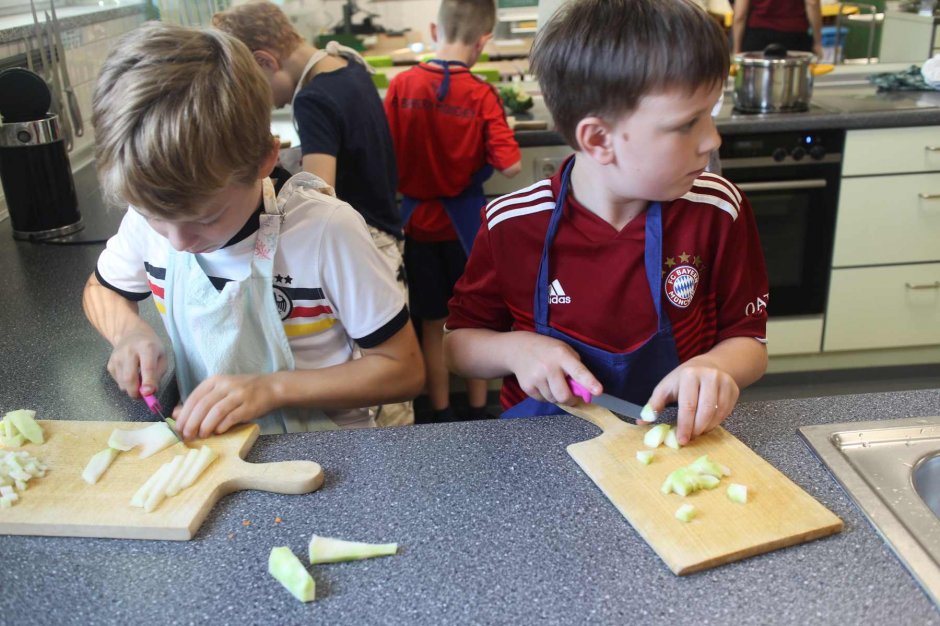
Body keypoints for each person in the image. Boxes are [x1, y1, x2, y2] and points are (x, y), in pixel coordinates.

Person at [443, 0, 769, 445]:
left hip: (678, 442)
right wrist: (514, 349)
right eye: (687, 124)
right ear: (598, 139)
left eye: (711, 114)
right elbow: (457, 346)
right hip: (541, 449)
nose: (712, 140)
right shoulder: (512, 224)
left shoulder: (717, 210)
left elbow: (749, 342)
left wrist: (717, 367)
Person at [83, 22, 424, 438]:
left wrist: (272, 388)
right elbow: (101, 291)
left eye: (207, 218)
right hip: (217, 450)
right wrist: (128, 333)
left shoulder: (326, 232)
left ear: (265, 158)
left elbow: (402, 370)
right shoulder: (149, 219)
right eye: (153, 215)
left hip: (329, 451)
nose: (178, 241)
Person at [212, 1, 414, 427]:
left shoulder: (312, 100)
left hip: (363, 245)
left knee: (381, 390)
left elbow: (321, 189)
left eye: (250, 83)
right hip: (387, 229)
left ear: (266, 61)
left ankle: (398, 456)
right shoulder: (346, 66)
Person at [384, 0, 521, 422]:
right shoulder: (480, 93)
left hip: (416, 225)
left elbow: (384, 155)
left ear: (433, 29)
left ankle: (441, 412)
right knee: (477, 321)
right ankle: (479, 410)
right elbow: (511, 165)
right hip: (467, 228)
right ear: (484, 40)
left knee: (431, 322)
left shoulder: (402, 86)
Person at [733, 0, 824, 58]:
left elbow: (740, 15)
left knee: (756, 81)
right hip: (795, 37)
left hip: (757, 38)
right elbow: (812, 3)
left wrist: (737, 49)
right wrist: (817, 43)